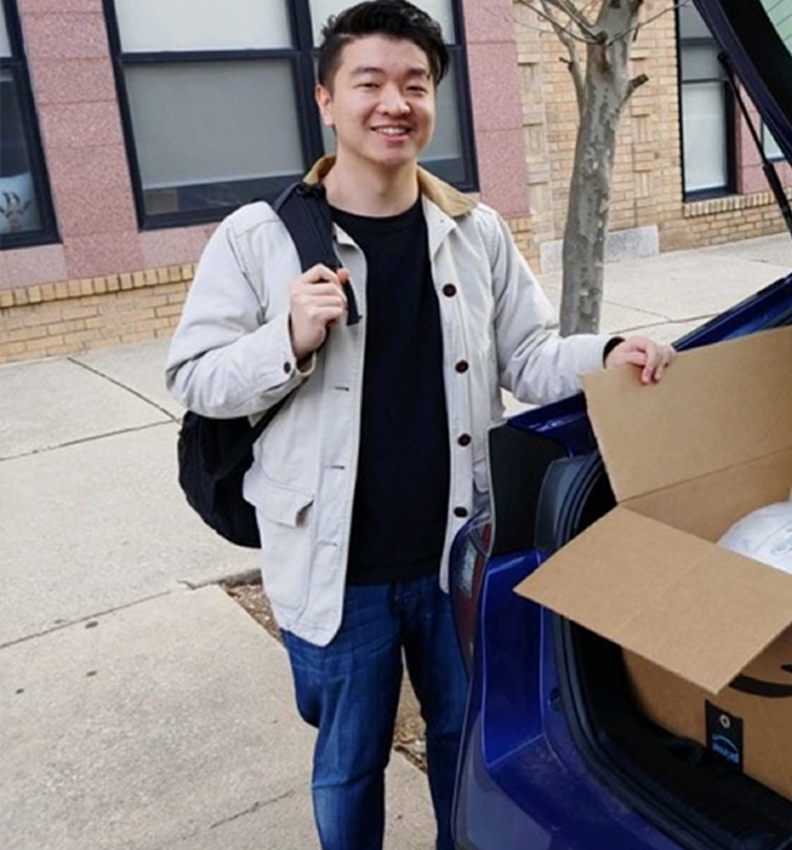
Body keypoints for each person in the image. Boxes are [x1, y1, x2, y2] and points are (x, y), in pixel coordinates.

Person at [164, 3, 676, 848]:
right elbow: (194, 377)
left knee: (464, 744)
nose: (393, 103)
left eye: (414, 84)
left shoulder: (474, 232)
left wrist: (609, 353)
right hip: (337, 565)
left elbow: (530, 356)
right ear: (327, 99)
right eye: (369, 83)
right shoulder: (257, 239)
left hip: (457, 555)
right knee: (349, 762)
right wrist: (285, 338)